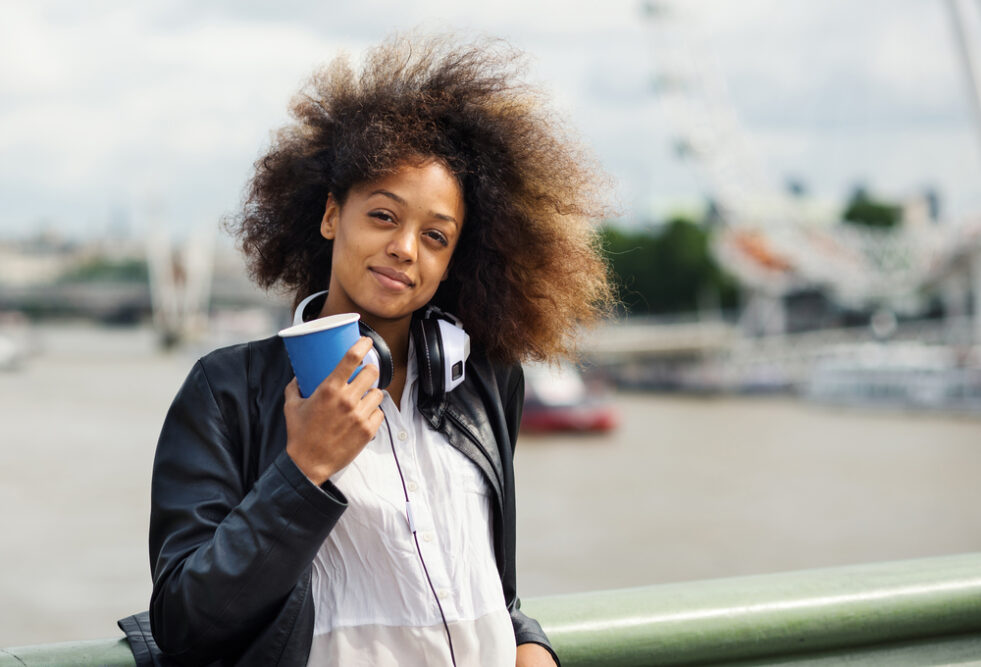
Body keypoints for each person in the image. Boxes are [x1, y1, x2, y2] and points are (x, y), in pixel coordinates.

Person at [120, 34, 613, 667]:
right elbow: (186, 622)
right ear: (331, 215)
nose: (406, 248)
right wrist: (302, 471)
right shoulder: (227, 391)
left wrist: (526, 639)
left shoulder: (486, 380)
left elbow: (478, 575)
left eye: (435, 235)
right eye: (383, 216)